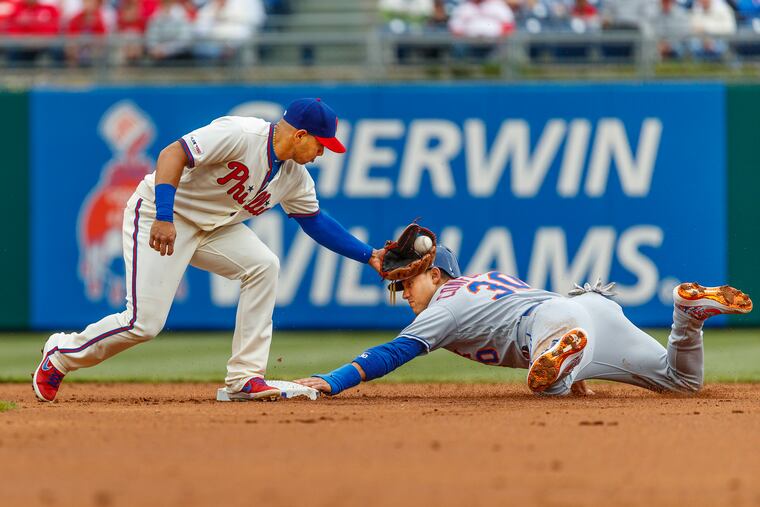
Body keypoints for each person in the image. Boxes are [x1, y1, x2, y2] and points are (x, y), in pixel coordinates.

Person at [33, 98, 386, 403]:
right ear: (299, 135)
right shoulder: (241, 134)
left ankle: (244, 379)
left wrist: (368, 254)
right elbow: (173, 153)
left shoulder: (294, 177)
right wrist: (164, 215)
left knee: (263, 265)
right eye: (320, 144)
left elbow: (315, 221)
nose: (322, 152)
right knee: (144, 324)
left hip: (214, 228)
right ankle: (61, 354)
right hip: (160, 216)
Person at [295, 245, 753, 397]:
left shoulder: (445, 305)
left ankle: (561, 358)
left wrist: (332, 381)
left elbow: (395, 352)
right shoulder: (484, 280)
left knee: (543, 387)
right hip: (588, 310)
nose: (404, 294)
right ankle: (686, 315)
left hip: (552, 323)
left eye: (407, 283)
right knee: (681, 384)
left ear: (436, 275)